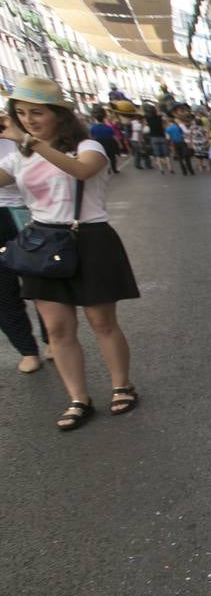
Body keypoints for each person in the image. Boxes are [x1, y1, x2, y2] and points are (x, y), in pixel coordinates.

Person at [0, 76, 140, 430]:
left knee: (102, 322)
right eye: (21, 113)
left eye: (37, 112)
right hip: (42, 241)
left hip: (89, 238)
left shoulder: (87, 145)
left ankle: (121, 384)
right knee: (58, 328)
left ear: (58, 114)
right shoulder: (19, 156)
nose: (29, 120)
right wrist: (23, 144)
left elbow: (81, 170)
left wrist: (30, 142)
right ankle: (78, 397)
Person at [0, 136, 43, 372]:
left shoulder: (18, 137)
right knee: (3, 291)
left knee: (40, 282)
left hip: (26, 214)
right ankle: (27, 350)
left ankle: (52, 340)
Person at [88, 107, 120, 175]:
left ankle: (108, 170)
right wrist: (119, 144)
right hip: (110, 144)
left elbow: (91, 138)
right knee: (112, 157)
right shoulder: (108, 127)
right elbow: (114, 137)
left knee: (104, 158)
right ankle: (114, 169)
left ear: (96, 119)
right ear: (103, 118)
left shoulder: (92, 128)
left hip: (100, 144)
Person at [143, 104, 170, 174]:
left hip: (153, 138)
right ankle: (170, 168)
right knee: (166, 154)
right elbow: (166, 122)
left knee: (157, 154)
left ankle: (161, 169)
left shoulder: (148, 119)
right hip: (162, 136)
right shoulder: (160, 117)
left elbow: (144, 121)